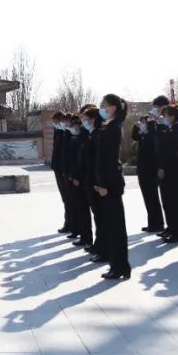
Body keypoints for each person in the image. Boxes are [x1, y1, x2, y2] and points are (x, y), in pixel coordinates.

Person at [94, 94, 130, 280]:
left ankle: (120, 267)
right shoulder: (108, 126)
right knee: (112, 227)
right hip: (106, 182)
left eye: (104, 105)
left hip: (111, 183)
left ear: (113, 108)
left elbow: (109, 159)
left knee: (116, 229)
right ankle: (118, 266)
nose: (102, 108)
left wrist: (106, 186)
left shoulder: (114, 128)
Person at [132, 95, 169, 233]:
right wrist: (138, 127)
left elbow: (157, 141)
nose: (153, 110)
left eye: (156, 107)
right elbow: (136, 137)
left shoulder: (162, 123)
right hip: (143, 164)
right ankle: (152, 222)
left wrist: (148, 130)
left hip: (153, 165)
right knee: (147, 195)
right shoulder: (147, 120)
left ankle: (158, 224)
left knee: (153, 195)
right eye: (153, 107)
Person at [157, 104, 178, 243]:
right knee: (167, 201)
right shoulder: (168, 129)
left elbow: (171, 152)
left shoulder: (177, 130)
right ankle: (170, 227)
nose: (164, 117)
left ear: (173, 116)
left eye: (166, 115)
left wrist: (163, 167)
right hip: (166, 169)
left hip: (173, 170)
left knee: (176, 203)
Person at [80, 105, 106, 262]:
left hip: (96, 182)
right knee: (97, 217)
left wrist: (98, 182)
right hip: (90, 180)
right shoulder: (92, 135)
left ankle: (104, 249)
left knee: (101, 218)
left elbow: (98, 162)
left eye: (87, 119)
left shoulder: (98, 135)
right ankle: (99, 245)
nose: (84, 122)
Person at [65, 114, 93, 248]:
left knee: (83, 209)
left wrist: (76, 176)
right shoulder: (73, 137)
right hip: (73, 175)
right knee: (77, 207)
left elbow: (81, 160)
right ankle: (82, 234)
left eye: (73, 125)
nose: (71, 127)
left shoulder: (84, 138)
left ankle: (86, 237)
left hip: (80, 178)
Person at [51, 111, 71, 234]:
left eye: (56, 121)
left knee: (68, 198)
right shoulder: (58, 131)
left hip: (63, 168)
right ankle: (69, 223)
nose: (55, 124)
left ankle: (70, 223)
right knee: (65, 198)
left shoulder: (66, 133)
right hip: (58, 168)